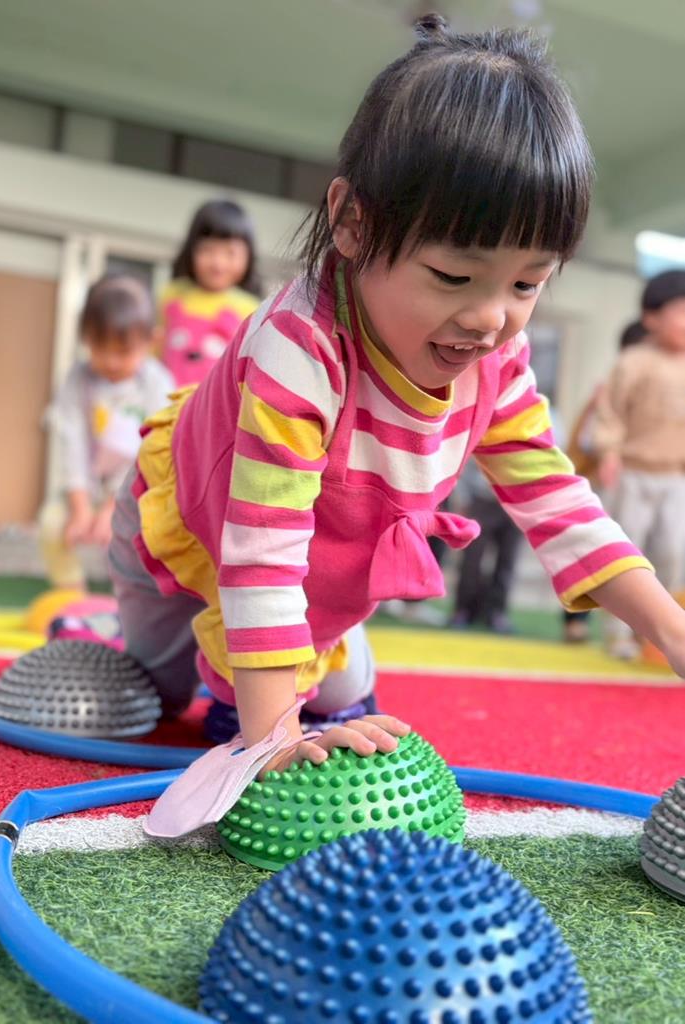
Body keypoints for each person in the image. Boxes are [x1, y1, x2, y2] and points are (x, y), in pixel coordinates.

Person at [109, 15, 685, 787]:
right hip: (191, 520)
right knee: (158, 695)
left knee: (334, 699)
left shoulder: (494, 359)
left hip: (316, 560)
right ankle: (122, 640)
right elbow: (260, 550)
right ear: (352, 223)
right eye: (453, 277)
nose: (490, 319)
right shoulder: (299, 349)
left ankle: (288, 676)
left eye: (526, 283)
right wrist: (270, 738)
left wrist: (668, 628)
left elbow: (556, 499)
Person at [40, 275, 172, 589]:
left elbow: (150, 450)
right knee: (51, 525)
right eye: (100, 349)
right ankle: (71, 592)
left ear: (151, 341)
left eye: (123, 351)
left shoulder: (156, 383)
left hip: (137, 490)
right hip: (85, 487)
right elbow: (70, 441)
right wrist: (80, 506)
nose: (111, 362)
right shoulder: (79, 379)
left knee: (142, 541)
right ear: (86, 338)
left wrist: (115, 506)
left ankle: (131, 600)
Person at [593, 271, 685, 659]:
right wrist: (609, 452)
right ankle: (619, 634)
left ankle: (660, 634)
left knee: (672, 552)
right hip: (632, 472)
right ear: (651, 318)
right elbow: (610, 411)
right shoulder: (634, 361)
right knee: (626, 553)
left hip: (674, 476)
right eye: (680, 312)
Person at [562, 319, 646, 643]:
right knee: (595, 551)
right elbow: (585, 440)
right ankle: (577, 621)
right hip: (602, 482)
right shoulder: (609, 391)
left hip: (643, 480)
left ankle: (639, 632)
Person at [159, 199, 262, 386]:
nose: (218, 263)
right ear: (191, 250)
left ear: (248, 257)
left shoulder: (252, 311)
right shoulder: (172, 294)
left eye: (230, 253)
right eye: (208, 250)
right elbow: (154, 347)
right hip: (167, 399)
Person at [448, 459, 522, 634]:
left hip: (515, 502)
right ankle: (463, 610)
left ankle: (496, 612)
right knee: (471, 560)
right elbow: (463, 466)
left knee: (507, 561)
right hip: (481, 499)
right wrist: (464, 499)